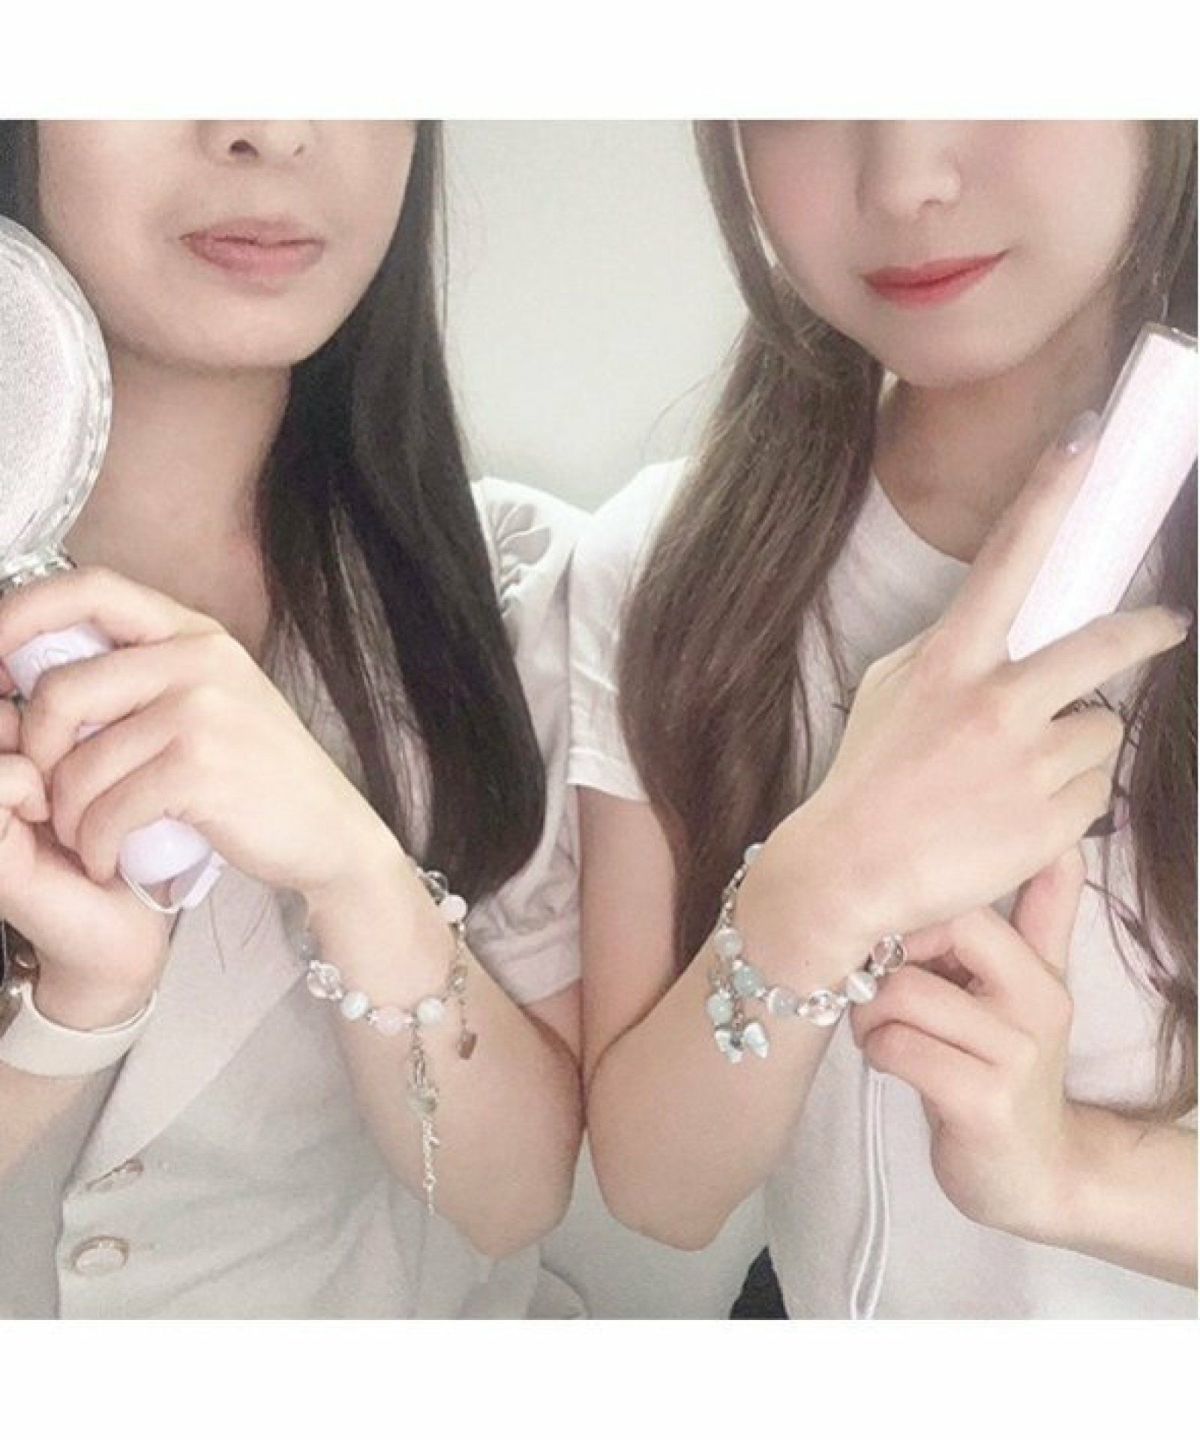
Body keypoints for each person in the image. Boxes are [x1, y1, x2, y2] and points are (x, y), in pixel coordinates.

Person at [569, 121, 1197, 1318]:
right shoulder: (664, 571)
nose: (906, 181)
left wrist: (1070, 1170)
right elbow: (659, 1189)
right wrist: (822, 887)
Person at [0, 120, 584, 1319]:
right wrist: (68, 1018)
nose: (267, 127)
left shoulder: (516, 596)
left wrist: (355, 871)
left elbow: (511, 1200)